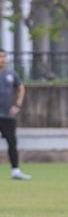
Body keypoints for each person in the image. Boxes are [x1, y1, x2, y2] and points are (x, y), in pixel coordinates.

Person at [0, 48, 31, 180]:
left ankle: (16, 171)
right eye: (0, 57)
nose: (2, 59)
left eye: (3, 57)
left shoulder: (10, 73)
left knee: (12, 142)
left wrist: (17, 105)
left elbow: (21, 88)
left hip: (7, 115)